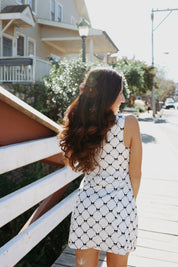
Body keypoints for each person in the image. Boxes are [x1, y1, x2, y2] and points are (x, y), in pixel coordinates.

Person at [59, 68, 142, 267]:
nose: (122, 98)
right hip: (120, 206)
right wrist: (128, 203)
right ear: (110, 94)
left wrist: (83, 96)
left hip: (87, 206)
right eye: (120, 92)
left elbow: (69, 155)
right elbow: (136, 174)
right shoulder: (129, 124)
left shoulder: (83, 124)